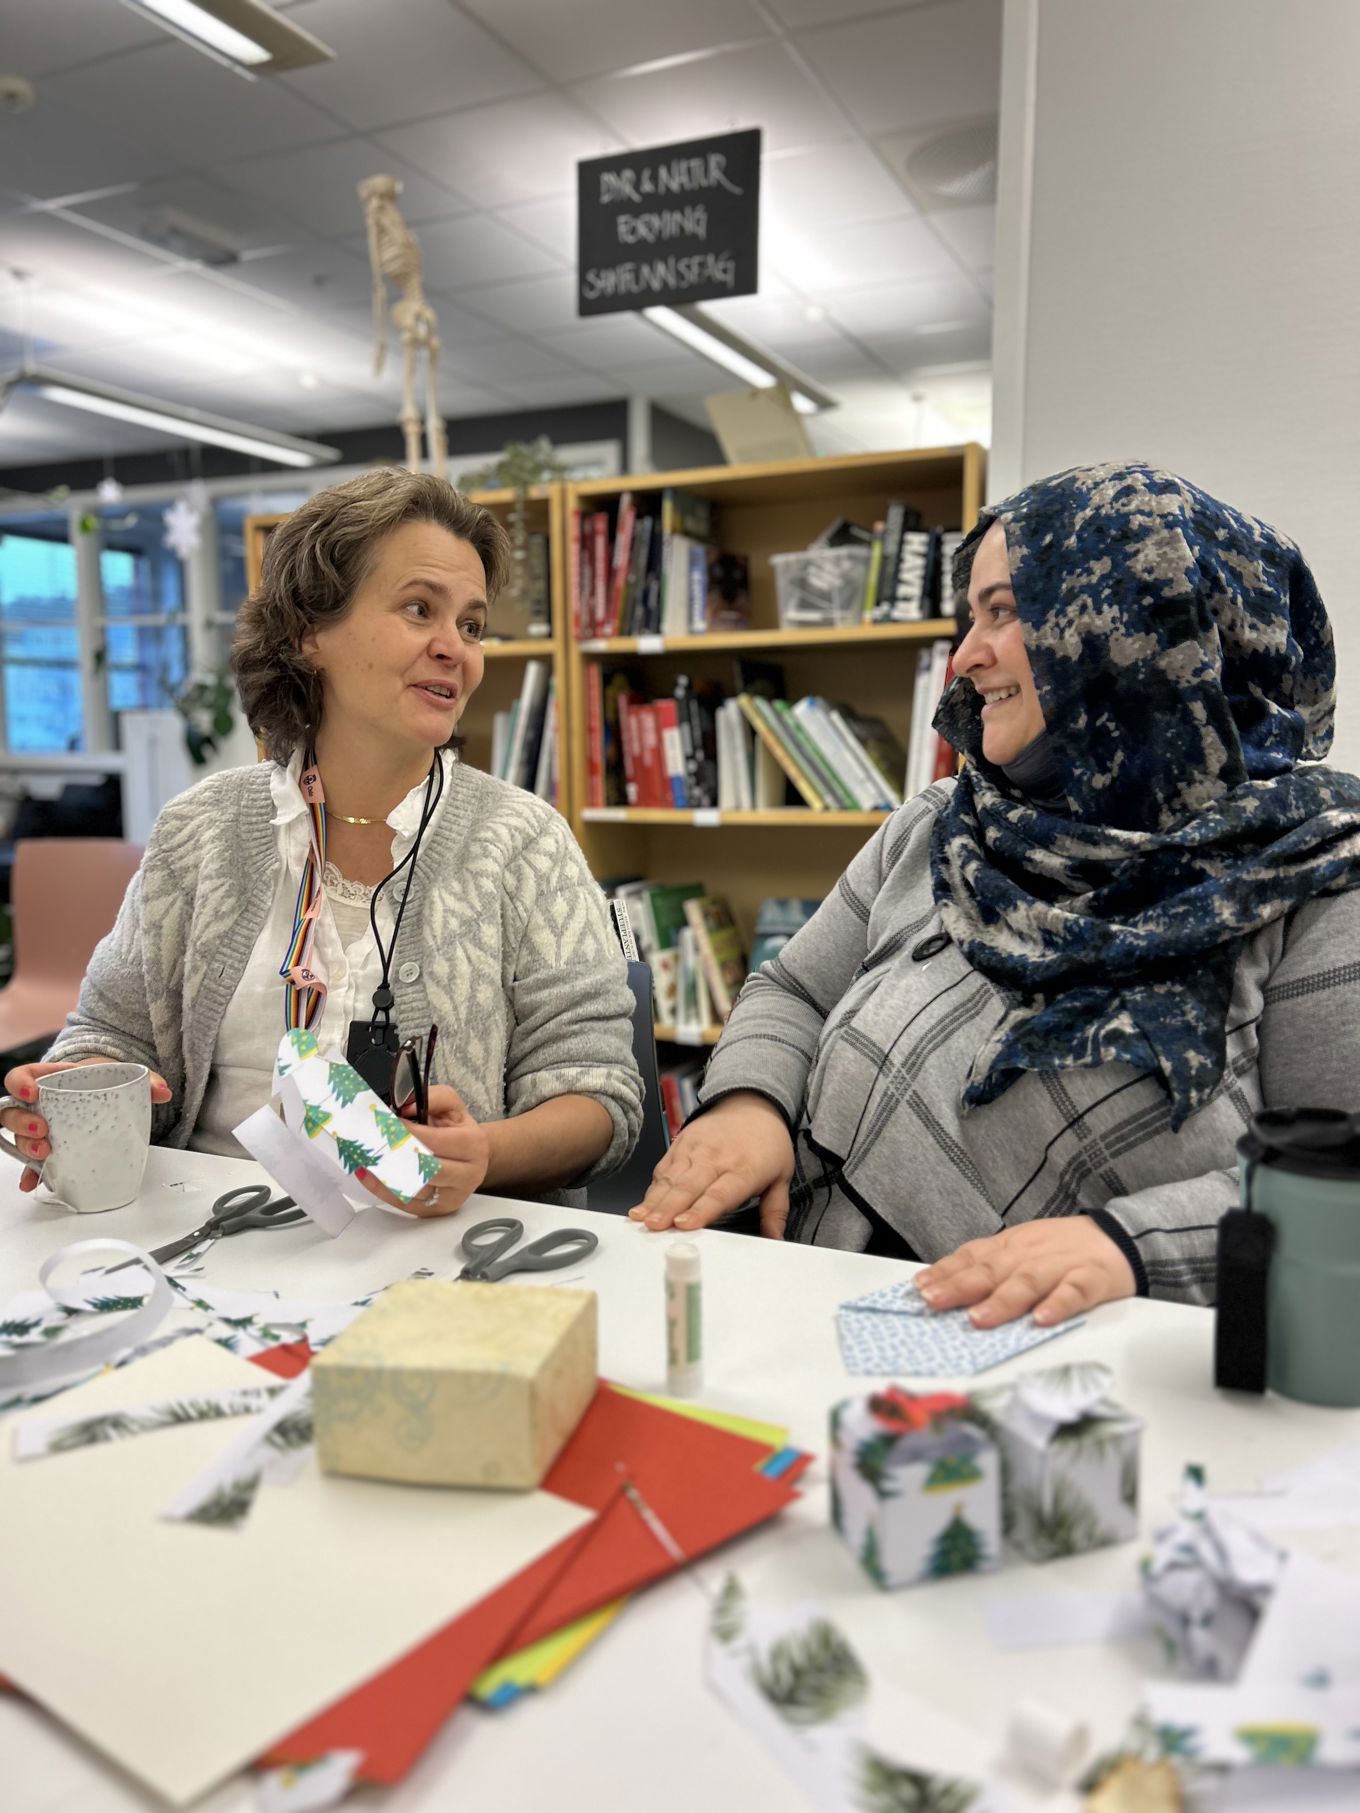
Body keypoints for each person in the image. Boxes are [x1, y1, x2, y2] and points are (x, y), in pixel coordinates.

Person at [630, 461, 1360, 1326]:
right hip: (807, 1318)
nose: (966, 656)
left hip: (1087, 1389)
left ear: (1138, 625)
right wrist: (750, 1101)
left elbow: (1343, 1183)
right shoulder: (941, 822)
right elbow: (792, 991)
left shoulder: (1316, 880)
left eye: (1005, 611)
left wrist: (1128, 1243)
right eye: (970, 615)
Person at [1, 469, 642, 1214]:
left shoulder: (526, 842)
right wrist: (75, 1087)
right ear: (311, 632)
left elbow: (600, 1093)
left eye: (471, 625)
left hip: (428, 1254)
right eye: (418, 608)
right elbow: (109, 1030)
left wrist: (486, 1154)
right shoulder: (197, 831)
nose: (454, 648)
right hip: (204, 1237)